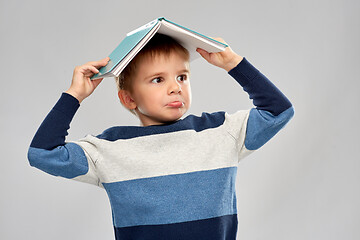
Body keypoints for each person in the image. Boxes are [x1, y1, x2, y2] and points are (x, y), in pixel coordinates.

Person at [28, 33, 294, 240]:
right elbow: (43, 153)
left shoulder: (220, 131)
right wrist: (74, 96)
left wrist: (235, 64)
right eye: (158, 79)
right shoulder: (108, 149)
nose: (175, 87)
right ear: (129, 98)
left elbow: (278, 111)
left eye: (182, 76)